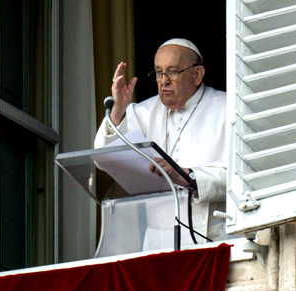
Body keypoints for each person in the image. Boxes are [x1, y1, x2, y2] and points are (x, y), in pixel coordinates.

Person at [95, 38, 228, 246]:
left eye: (173, 71)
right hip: (157, 242)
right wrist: (118, 111)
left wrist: (189, 177)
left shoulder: (227, 109)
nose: (163, 80)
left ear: (197, 75)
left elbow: (241, 176)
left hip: (212, 238)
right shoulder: (143, 112)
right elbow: (102, 159)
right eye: (158, 72)